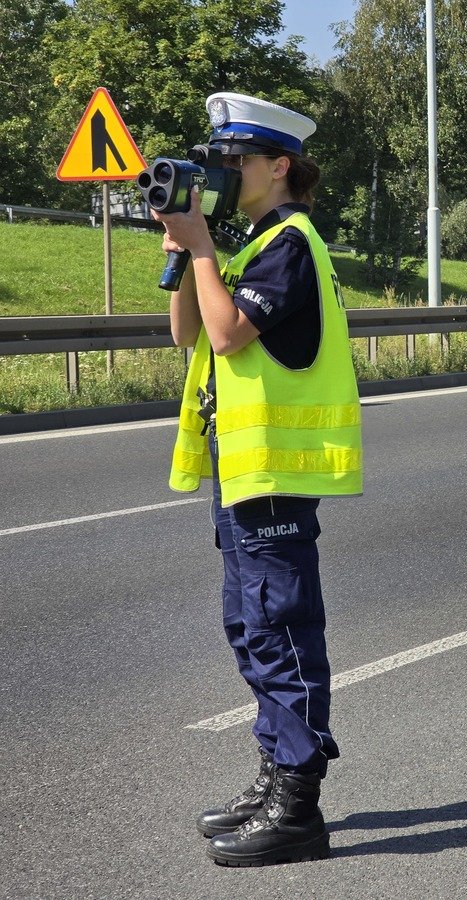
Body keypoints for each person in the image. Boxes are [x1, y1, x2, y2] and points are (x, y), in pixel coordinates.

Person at [155, 92, 363, 867]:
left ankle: (299, 805)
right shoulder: (250, 245)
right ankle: (274, 773)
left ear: (278, 166)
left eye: (233, 160)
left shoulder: (291, 244)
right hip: (243, 473)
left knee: (282, 632)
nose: (220, 171)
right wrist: (182, 252)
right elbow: (185, 331)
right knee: (249, 630)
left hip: (277, 472)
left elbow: (227, 330)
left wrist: (204, 246)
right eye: (217, 159)